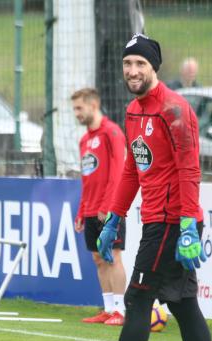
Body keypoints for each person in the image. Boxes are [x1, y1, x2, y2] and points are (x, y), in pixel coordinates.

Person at [63, 34, 212, 341]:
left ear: (155, 68)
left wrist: (186, 225)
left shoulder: (176, 110)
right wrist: (114, 218)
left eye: (140, 64)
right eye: (127, 64)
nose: (133, 71)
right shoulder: (134, 112)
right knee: (183, 306)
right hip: (156, 221)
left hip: (170, 223)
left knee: (136, 300)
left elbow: (189, 169)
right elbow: (133, 169)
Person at [71, 88, 128, 326]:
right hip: (91, 209)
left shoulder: (112, 132)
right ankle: (108, 309)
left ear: (93, 105)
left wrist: (109, 206)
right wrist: (82, 211)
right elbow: (87, 178)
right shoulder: (84, 139)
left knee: (112, 256)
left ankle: (121, 310)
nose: (76, 114)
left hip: (110, 209)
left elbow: (118, 173)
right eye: (74, 109)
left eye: (79, 108)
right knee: (98, 258)